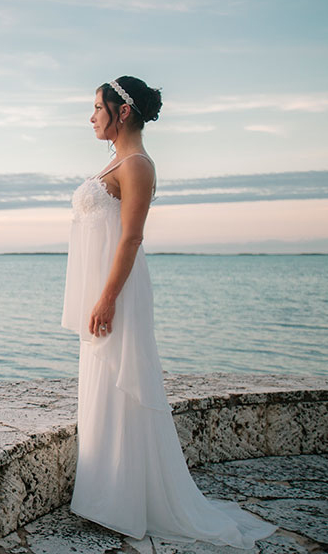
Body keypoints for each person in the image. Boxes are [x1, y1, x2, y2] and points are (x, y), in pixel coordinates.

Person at [61, 76, 278, 548]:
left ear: (122, 112)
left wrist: (106, 298)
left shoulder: (137, 165)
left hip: (119, 291)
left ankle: (124, 501)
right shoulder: (116, 162)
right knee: (102, 382)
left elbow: (132, 238)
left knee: (123, 382)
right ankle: (105, 495)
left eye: (98, 107)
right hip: (105, 289)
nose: (91, 116)